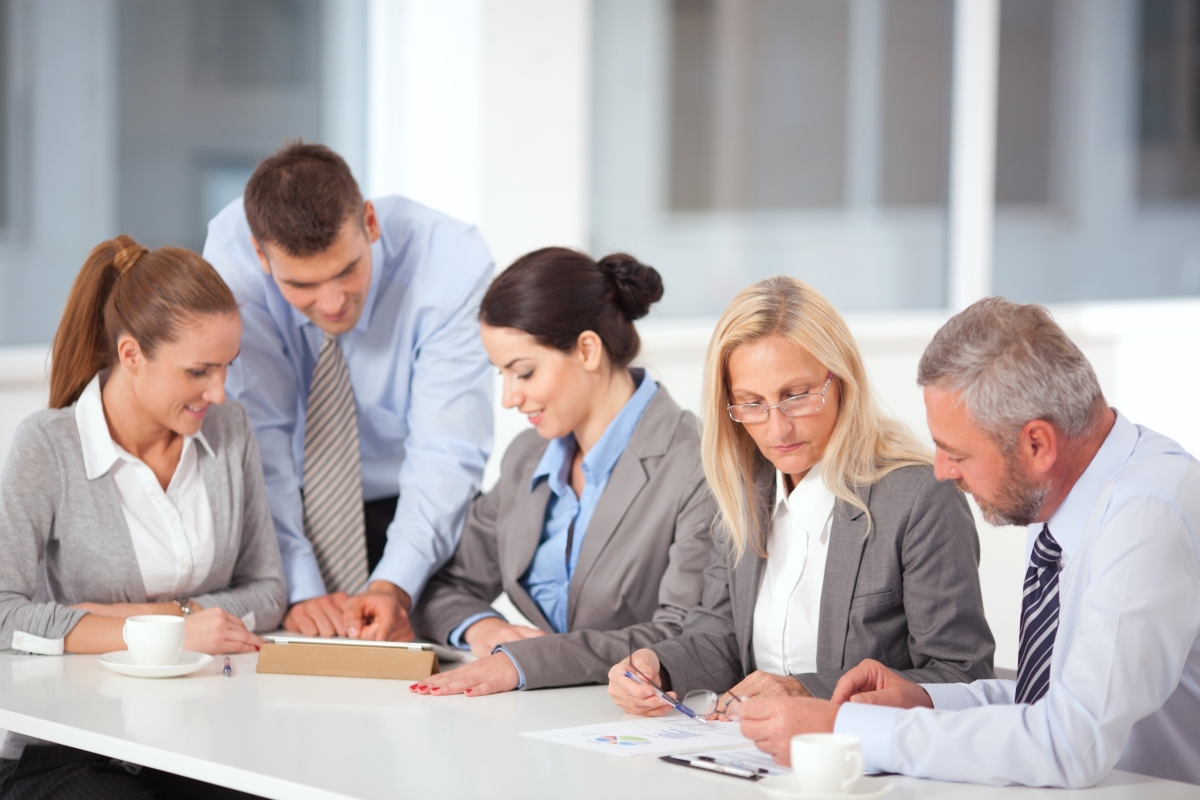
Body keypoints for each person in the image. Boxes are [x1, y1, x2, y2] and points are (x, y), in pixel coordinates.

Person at [737, 297, 1200, 788]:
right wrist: (925, 699)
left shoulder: (1146, 513)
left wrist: (848, 730)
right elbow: (1041, 704)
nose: (941, 471)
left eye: (957, 453)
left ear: (1036, 444)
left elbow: (1069, 741)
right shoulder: (1064, 497)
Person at [607, 276, 994, 717]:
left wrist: (807, 691)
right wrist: (660, 667)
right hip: (751, 749)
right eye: (751, 403)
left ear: (841, 381)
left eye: (797, 396)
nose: (777, 430)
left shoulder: (919, 496)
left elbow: (960, 675)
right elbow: (723, 633)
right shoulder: (744, 486)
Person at [0, 235, 285, 798]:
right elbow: (4, 615)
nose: (220, 393)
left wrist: (144, 614)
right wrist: (173, 630)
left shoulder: (229, 433)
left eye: (227, 367)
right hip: (71, 748)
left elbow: (269, 591)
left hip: (204, 736)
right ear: (132, 355)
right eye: (199, 371)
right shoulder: (49, 447)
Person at [202, 143, 494, 642]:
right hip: (282, 509)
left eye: (346, 271)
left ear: (371, 224)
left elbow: (446, 452)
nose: (333, 303)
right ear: (261, 256)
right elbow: (259, 439)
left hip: (409, 502)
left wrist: (393, 584)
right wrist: (296, 584)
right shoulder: (233, 264)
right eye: (303, 285)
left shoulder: (451, 263)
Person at [408, 248, 715, 695]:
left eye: (524, 372)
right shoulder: (527, 457)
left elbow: (687, 635)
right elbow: (445, 586)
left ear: (588, 350)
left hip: (639, 719)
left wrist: (524, 663)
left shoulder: (697, 462)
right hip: (545, 715)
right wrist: (484, 628)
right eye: (502, 376)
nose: (509, 398)